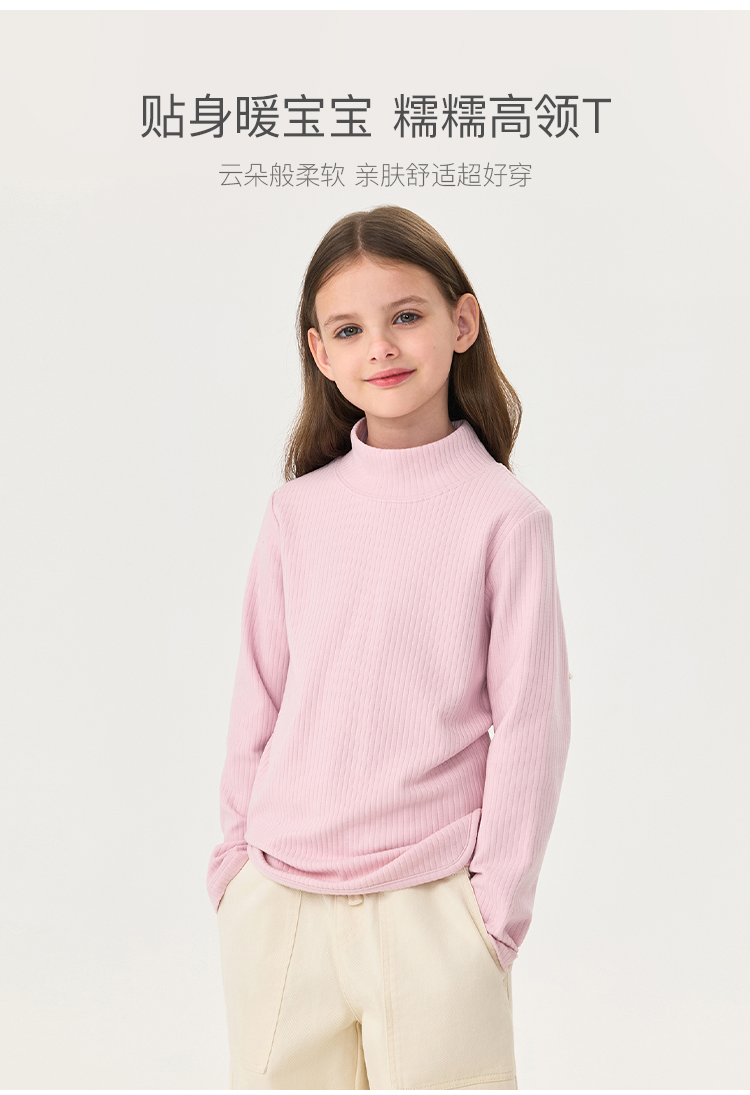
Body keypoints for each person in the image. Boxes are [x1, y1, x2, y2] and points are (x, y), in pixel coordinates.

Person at [207, 205, 571, 1091]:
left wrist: (493, 914)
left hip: (433, 913)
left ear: (462, 321)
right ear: (320, 353)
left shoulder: (506, 518)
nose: (381, 346)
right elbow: (259, 697)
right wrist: (234, 871)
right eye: (348, 329)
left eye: (406, 314)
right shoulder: (296, 513)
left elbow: (532, 723)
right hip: (281, 903)